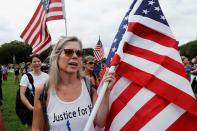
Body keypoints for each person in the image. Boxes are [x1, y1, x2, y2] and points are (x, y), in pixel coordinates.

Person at [32, 36, 115, 130]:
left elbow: (100, 122)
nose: (75, 56)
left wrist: (106, 92)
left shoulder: (88, 86)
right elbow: (36, 128)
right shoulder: (43, 90)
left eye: (79, 53)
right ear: (57, 56)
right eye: (68, 52)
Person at [20, 54, 49, 129]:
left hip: (46, 108)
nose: (36, 63)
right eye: (34, 62)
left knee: (45, 128)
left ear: (41, 63)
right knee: (34, 128)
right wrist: (30, 107)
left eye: (38, 61)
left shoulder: (47, 76)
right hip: (33, 109)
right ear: (31, 64)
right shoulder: (26, 77)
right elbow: (22, 95)